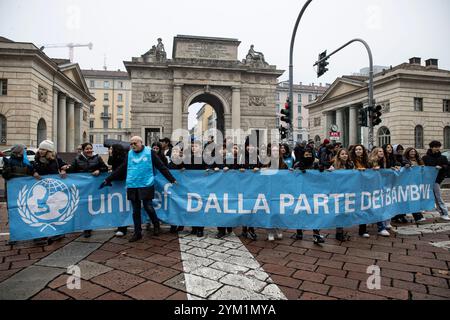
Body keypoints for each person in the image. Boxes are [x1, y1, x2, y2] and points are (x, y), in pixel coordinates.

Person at [101, 136, 176, 242]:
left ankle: (156, 225)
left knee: (148, 206)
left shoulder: (150, 152)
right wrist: (108, 179)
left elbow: (161, 166)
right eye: (131, 144)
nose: (133, 145)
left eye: (135, 143)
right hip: (132, 184)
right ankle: (137, 232)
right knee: (135, 210)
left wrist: (171, 179)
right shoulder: (130, 154)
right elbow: (122, 168)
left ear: (141, 143)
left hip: (146, 184)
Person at [67, 142, 109, 238]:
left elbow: (105, 168)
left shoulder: (97, 158)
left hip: (94, 188)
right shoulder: (77, 159)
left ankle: (89, 226)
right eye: (87, 149)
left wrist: (99, 170)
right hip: (83, 188)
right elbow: (71, 171)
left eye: (90, 148)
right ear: (83, 150)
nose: (89, 150)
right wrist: (63, 169)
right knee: (84, 207)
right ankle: (86, 228)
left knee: (92, 207)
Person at [32, 140, 68, 245]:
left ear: (49, 151)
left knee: (53, 210)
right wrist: (33, 172)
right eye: (40, 148)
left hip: (53, 190)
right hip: (40, 190)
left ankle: (57, 232)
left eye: (43, 149)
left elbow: (65, 165)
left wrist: (63, 169)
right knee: (40, 210)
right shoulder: (37, 158)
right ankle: (39, 235)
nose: (41, 151)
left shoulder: (56, 159)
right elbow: (31, 169)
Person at [292, 147, 325, 244]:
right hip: (301, 192)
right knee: (300, 212)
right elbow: (293, 177)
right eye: (306, 155)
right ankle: (299, 231)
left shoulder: (316, 163)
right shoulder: (298, 164)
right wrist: (296, 170)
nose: (308, 156)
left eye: (310, 154)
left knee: (315, 212)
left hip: (313, 192)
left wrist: (322, 169)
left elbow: (322, 175)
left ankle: (316, 234)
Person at [328, 148, 354, 241]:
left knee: (344, 212)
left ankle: (340, 231)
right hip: (337, 192)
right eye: (342, 154)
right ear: (339, 155)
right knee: (339, 212)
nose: (344, 156)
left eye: (346, 154)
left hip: (347, 191)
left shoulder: (350, 165)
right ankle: (339, 233)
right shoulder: (334, 165)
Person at [184, 140, 207, 237]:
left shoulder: (205, 158)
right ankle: (193, 227)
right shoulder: (189, 158)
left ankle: (200, 228)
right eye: (192, 146)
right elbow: (184, 166)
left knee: (200, 206)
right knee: (192, 206)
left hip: (201, 186)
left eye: (196, 146)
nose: (194, 148)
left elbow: (209, 167)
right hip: (191, 186)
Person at [422, 140, 450, 221]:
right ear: (431, 147)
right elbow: (422, 168)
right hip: (426, 181)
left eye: (438, 147)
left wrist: (441, 167)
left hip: (436, 180)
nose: (437, 148)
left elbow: (447, 167)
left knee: (438, 197)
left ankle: (444, 213)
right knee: (424, 196)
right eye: (435, 147)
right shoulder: (425, 158)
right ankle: (421, 213)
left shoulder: (443, 157)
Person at [367, 147, 391, 236]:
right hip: (372, 187)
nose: (382, 152)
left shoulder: (384, 161)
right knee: (376, 206)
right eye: (379, 151)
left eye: (382, 151)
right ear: (375, 152)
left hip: (381, 186)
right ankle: (381, 227)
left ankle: (381, 225)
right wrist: (372, 169)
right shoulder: (371, 161)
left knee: (379, 206)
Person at [239, 137, 259, 240]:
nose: (250, 148)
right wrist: (240, 169)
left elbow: (260, 167)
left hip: (253, 187)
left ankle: (251, 229)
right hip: (243, 186)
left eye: (252, 145)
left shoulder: (256, 157)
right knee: (244, 207)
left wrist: (258, 168)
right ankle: (244, 229)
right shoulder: (241, 156)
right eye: (248, 145)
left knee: (252, 208)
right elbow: (236, 168)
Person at [107, 144, 129, 237]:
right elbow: (109, 162)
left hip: (122, 183)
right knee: (118, 206)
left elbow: (119, 170)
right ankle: (121, 226)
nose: (110, 150)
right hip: (117, 184)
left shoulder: (122, 158)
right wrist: (110, 155)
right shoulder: (115, 157)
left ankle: (123, 227)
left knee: (123, 206)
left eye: (111, 149)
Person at [402, 147, 426, 222]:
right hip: (408, 183)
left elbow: (423, 170)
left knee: (415, 199)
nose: (413, 153)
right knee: (412, 199)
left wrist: (422, 168)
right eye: (411, 151)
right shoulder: (405, 160)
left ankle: (417, 215)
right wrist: (406, 166)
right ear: (408, 152)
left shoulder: (419, 160)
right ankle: (417, 216)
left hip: (417, 182)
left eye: (414, 151)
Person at [168, 145, 185, 233]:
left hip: (180, 188)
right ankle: (173, 224)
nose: (175, 153)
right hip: (172, 188)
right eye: (173, 151)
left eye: (176, 151)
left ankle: (181, 224)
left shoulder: (181, 162)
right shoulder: (169, 163)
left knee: (180, 206)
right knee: (173, 206)